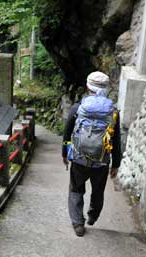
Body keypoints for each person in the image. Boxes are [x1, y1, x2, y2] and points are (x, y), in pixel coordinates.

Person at [62, 71, 122, 237]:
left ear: (88, 87)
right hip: (101, 162)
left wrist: (65, 154)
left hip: (79, 159)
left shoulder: (78, 108)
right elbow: (116, 140)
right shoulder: (113, 112)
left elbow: (67, 134)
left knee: (76, 189)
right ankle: (92, 216)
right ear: (106, 88)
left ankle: (78, 224)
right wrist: (115, 164)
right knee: (98, 191)